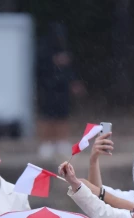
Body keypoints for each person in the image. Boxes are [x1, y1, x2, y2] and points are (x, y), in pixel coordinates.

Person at [36, 22, 85, 160]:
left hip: (62, 89)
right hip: (48, 88)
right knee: (47, 116)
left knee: (62, 115)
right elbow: (40, 70)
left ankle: (61, 141)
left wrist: (73, 82)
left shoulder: (65, 50)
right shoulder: (43, 50)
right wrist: (53, 61)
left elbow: (69, 70)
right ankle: (46, 143)